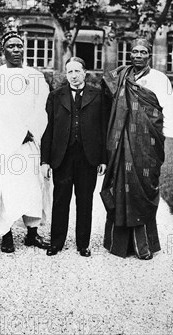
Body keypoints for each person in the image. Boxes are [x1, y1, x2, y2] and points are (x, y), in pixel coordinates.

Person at [100, 38, 173, 260]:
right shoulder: (121, 75)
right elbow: (106, 99)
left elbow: (169, 110)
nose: (138, 55)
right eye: (134, 51)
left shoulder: (159, 79)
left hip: (147, 145)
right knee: (119, 186)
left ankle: (143, 246)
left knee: (142, 189)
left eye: (143, 52)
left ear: (149, 55)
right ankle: (118, 244)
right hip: (121, 143)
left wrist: (165, 138)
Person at [0, 32, 50, 253]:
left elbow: (42, 108)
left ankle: (32, 233)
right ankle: (6, 234)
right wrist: (13, 133)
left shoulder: (35, 77)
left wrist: (31, 131)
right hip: (4, 143)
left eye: (20, 46)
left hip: (29, 142)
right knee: (5, 189)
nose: (16, 50)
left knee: (33, 188)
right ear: (4, 50)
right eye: (11, 46)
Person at [41, 57, 110, 257]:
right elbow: (48, 129)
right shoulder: (56, 96)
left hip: (88, 157)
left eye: (77, 71)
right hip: (61, 156)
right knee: (60, 200)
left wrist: (103, 159)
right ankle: (56, 242)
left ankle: (83, 244)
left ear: (85, 73)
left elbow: (103, 128)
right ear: (65, 74)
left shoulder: (98, 96)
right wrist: (45, 160)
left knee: (85, 201)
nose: (73, 76)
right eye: (69, 72)